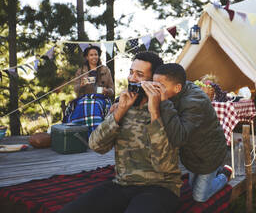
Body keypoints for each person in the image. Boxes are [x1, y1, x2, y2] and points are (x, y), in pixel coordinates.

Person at [59, 52, 181, 213]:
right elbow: (96, 145)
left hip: (160, 187)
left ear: (154, 81)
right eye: (131, 72)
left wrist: (155, 113)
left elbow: (163, 164)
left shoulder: (168, 111)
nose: (131, 78)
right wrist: (119, 112)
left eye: (139, 74)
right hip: (122, 184)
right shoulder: (122, 105)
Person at [151, 63, 231, 202]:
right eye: (154, 84)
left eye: (160, 86)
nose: (155, 89)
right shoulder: (176, 92)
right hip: (192, 154)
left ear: (177, 87)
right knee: (192, 186)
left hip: (209, 155)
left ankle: (224, 174)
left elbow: (178, 138)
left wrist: (163, 102)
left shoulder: (194, 102)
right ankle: (215, 173)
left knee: (199, 197)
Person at [64, 45, 114, 135]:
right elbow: (76, 89)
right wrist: (82, 85)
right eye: (91, 55)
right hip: (84, 98)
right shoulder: (81, 71)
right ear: (87, 57)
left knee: (94, 104)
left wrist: (107, 91)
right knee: (84, 103)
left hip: (101, 99)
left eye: (96, 54)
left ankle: (97, 134)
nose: (94, 57)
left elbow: (112, 90)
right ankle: (80, 133)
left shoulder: (105, 70)